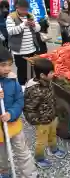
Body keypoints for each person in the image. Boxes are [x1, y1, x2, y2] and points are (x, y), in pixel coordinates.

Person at [0, 46, 38, 178]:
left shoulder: (12, 81)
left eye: (10, 65)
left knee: (22, 151)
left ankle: (30, 174)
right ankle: (4, 172)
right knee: (2, 155)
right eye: (3, 65)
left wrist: (11, 113)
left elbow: (19, 100)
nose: (7, 69)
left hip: (13, 124)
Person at [24, 58, 66, 169]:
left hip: (52, 116)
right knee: (41, 141)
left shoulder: (47, 81)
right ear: (42, 75)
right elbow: (29, 108)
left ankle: (53, 149)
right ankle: (39, 158)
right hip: (42, 121)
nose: (54, 74)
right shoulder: (34, 90)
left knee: (53, 134)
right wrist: (36, 121)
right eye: (51, 72)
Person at [6, 0, 40, 85]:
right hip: (19, 51)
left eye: (26, 9)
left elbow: (38, 29)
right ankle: (22, 87)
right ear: (17, 8)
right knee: (22, 71)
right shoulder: (11, 17)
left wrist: (34, 25)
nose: (25, 12)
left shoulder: (30, 16)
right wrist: (23, 25)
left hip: (32, 49)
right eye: (23, 9)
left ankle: (31, 86)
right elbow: (11, 31)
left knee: (32, 70)